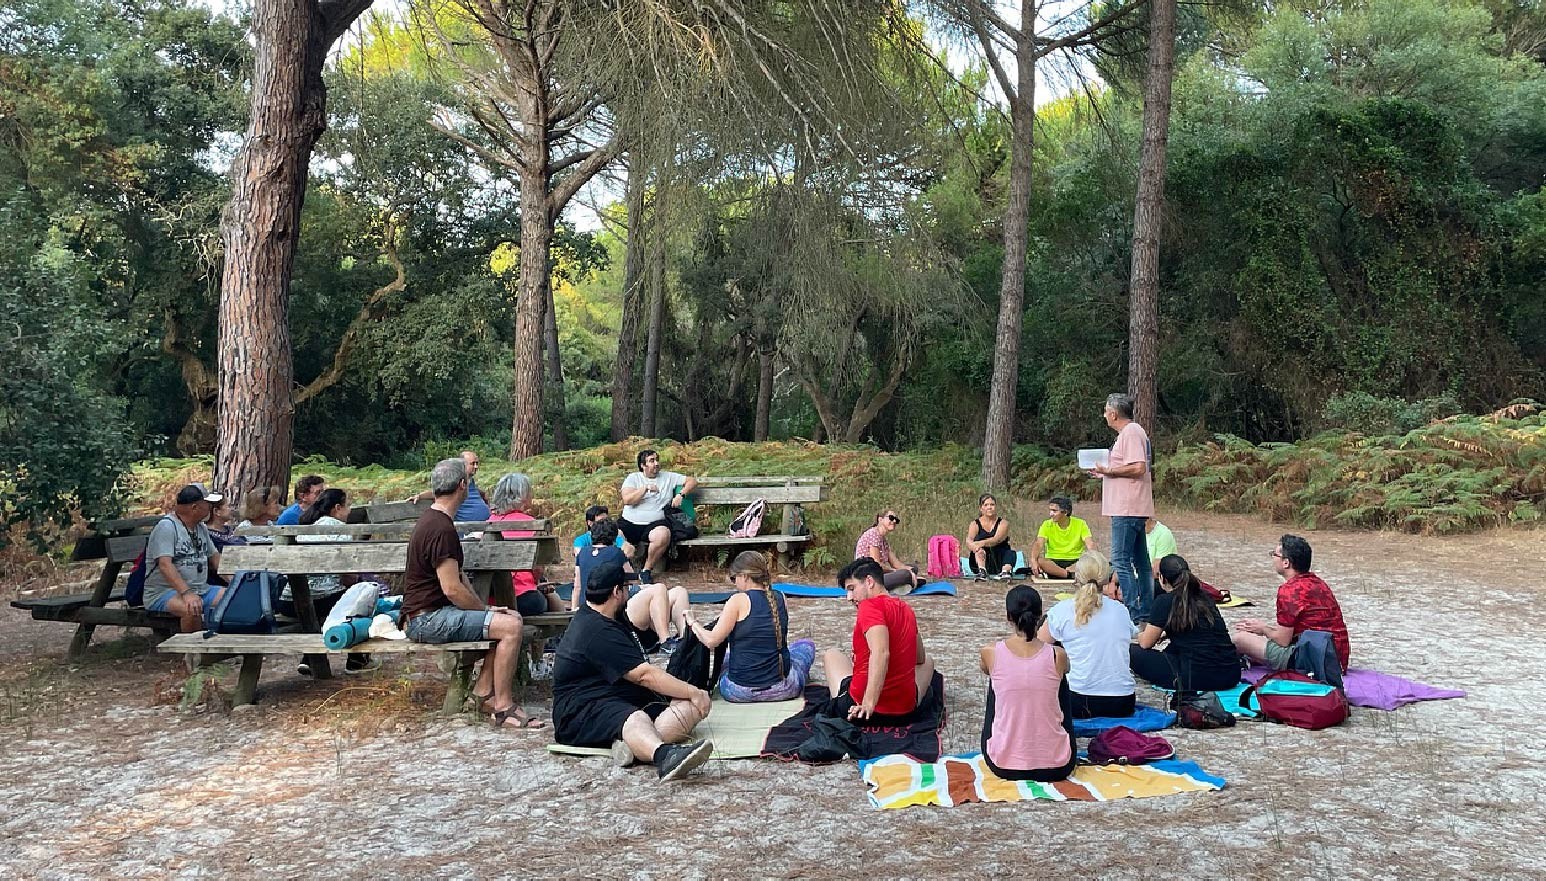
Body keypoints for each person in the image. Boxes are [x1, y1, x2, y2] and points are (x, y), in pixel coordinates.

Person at [401, 457, 542, 729]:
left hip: (427, 615)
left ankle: (483, 693)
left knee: (506, 618)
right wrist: (485, 611)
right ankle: (503, 707)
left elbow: (460, 578)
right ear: (463, 486)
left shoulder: (433, 520)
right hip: (427, 619)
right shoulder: (440, 528)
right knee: (511, 627)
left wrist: (486, 611)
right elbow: (452, 588)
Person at [552, 557, 714, 781]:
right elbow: (644, 675)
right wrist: (693, 691)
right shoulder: (595, 630)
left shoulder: (609, 615)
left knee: (690, 706)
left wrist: (690, 695)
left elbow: (652, 599)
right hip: (579, 710)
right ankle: (663, 755)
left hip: (615, 695)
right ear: (617, 592)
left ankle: (633, 746)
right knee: (637, 717)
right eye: (628, 588)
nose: (631, 593)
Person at [684, 551, 816, 702]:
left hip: (739, 691)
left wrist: (692, 622)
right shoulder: (780, 597)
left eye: (734, 578)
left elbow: (711, 641)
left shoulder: (737, 600)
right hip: (784, 689)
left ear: (745, 576)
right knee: (806, 645)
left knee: (726, 659)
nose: (734, 583)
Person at [979, 585, 1077, 782]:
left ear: (1009, 617)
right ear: (1040, 616)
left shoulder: (991, 652)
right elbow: (1065, 670)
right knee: (1057, 680)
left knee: (998, 681)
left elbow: (987, 671)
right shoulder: (1057, 655)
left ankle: (1011, 743)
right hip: (1056, 765)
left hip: (1004, 764)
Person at [821, 559, 935, 723]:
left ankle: (860, 700)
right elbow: (920, 658)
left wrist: (868, 703)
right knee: (929, 662)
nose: (849, 598)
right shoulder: (907, 610)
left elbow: (881, 653)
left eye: (852, 589)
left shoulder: (869, 607)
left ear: (869, 581)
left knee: (832, 654)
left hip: (862, 709)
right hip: (904, 712)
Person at [1038, 551, 1138, 718]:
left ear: (1077, 578)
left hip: (1078, 700)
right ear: (1106, 580)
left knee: (1052, 647)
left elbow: (1038, 646)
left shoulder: (1062, 610)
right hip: (1122, 702)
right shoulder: (1121, 610)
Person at [1233, 535, 1351, 672]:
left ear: (1286, 563)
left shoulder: (1289, 591)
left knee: (1239, 639)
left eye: (1274, 554)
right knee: (1256, 639)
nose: (1272, 558)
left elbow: (1283, 640)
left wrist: (1263, 628)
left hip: (1315, 661)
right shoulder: (1319, 583)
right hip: (1337, 659)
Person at [573, 517, 689, 654]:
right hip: (618, 616)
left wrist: (575, 609)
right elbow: (632, 581)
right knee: (659, 589)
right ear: (615, 537)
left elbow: (577, 587)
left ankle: (685, 640)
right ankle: (666, 640)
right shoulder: (616, 553)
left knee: (677, 592)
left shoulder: (582, 554)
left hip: (592, 609)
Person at [1130, 555, 1241, 695]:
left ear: (1162, 579)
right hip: (1230, 675)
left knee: (1131, 651)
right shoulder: (1205, 597)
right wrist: (1167, 633)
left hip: (1194, 677)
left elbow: (1146, 643)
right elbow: (1199, 632)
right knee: (1174, 648)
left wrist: (1140, 635)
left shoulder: (1165, 601)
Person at [296, 487, 378, 675]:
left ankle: (308, 659)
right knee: (364, 601)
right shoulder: (339, 530)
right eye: (347, 505)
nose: (349, 511)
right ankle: (357, 660)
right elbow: (346, 577)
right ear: (337, 508)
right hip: (323, 598)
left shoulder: (306, 529)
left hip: (292, 599)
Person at [1090, 392, 1154, 623]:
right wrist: (1104, 472)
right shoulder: (1128, 434)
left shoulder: (1132, 432)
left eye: (1106, 411)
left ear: (1114, 413)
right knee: (1140, 562)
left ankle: (1134, 612)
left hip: (1127, 508)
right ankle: (1145, 610)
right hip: (1130, 506)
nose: (1104, 415)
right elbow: (1125, 468)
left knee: (1120, 560)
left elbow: (1138, 467)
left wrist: (1110, 471)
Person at [143, 483, 223, 633]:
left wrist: (237, 583)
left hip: (201, 590)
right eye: (208, 504)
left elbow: (215, 559)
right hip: (165, 593)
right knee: (191, 608)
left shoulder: (201, 528)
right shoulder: (166, 527)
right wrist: (186, 593)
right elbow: (165, 565)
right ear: (195, 508)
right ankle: (193, 653)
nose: (210, 508)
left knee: (234, 600)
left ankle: (224, 647)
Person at [487, 472, 563, 617]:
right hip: (523, 598)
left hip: (491, 599)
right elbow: (538, 570)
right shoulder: (531, 524)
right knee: (550, 596)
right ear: (523, 496)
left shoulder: (488, 522)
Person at [619, 449, 697, 584]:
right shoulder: (633, 478)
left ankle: (646, 570)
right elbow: (627, 500)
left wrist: (681, 494)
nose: (656, 463)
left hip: (655, 523)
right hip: (630, 522)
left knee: (663, 535)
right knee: (614, 534)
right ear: (643, 465)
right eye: (651, 461)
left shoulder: (668, 477)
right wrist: (645, 488)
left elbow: (692, 481)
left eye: (656, 460)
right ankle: (625, 569)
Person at [853, 510, 924, 594]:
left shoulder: (883, 540)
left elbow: (896, 564)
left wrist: (910, 570)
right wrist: (897, 572)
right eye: (891, 518)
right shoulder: (873, 535)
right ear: (880, 519)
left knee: (913, 568)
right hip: (868, 578)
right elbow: (876, 564)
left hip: (878, 574)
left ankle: (902, 584)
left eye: (896, 520)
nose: (894, 521)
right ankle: (902, 584)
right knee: (905, 574)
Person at [1030, 497, 1095, 580]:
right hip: (1054, 561)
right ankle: (1068, 574)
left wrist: (1091, 558)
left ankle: (1061, 573)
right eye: (1050, 510)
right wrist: (1033, 560)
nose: (1051, 514)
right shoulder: (1046, 524)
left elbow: (1090, 544)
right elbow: (1039, 543)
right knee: (1040, 561)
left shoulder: (1080, 523)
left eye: (1054, 511)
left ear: (1065, 512)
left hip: (1076, 559)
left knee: (1091, 559)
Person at [963, 493, 1014, 580]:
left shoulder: (1003, 523)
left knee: (1011, 553)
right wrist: (973, 546)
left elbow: (996, 540)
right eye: (986, 505)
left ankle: (1005, 572)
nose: (989, 507)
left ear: (996, 506)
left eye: (992, 505)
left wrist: (980, 543)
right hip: (982, 559)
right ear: (981, 508)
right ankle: (982, 572)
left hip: (999, 558)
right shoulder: (974, 524)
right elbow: (969, 540)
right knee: (979, 551)